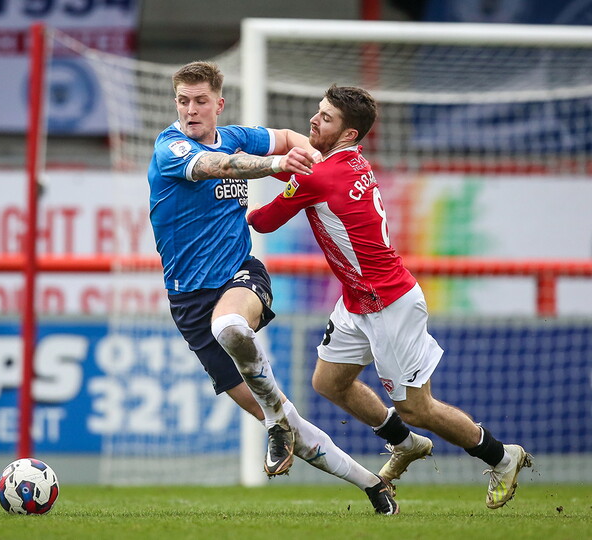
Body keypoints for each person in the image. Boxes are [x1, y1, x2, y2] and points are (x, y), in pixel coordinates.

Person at [247, 84, 533, 509]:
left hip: (388, 304)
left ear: (348, 135)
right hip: (357, 300)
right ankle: (405, 443)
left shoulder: (320, 175)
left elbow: (263, 220)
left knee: (418, 406)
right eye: (318, 111)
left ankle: (500, 455)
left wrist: (228, 181)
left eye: (325, 118)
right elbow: (301, 176)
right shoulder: (345, 165)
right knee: (329, 381)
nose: (314, 120)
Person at [148, 61, 398, 514]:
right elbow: (216, 166)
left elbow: (285, 137)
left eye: (200, 100)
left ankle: (276, 422)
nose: (190, 110)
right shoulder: (171, 148)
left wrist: (317, 163)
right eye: (183, 101)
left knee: (230, 325)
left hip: (240, 276)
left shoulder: (238, 134)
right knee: (286, 420)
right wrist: (277, 165)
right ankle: (371, 485)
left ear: (218, 104)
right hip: (187, 300)